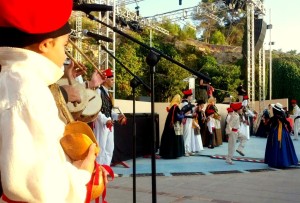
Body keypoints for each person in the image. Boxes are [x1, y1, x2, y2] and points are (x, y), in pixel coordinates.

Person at [0, 0, 99, 202]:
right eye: (64, 45)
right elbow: (40, 186)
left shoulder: (16, 79)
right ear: (46, 45)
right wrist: (83, 175)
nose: (64, 53)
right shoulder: (25, 87)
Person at [94, 68, 126, 166]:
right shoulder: (98, 92)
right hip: (101, 124)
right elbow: (96, 111)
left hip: (109, 124)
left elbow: (109, 110)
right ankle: (98, 172)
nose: (113, 81)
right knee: (101, 148)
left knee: (109, 148)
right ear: (106, 79)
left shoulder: (108, 94)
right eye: (112, 79)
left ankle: (106, 170)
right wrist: (105, 120)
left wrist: (117, 116)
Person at [264, 103, 298, 168]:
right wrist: (289, 130)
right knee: (284, 147)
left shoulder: (274, 118)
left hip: (274, 133)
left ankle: (275, 161)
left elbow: (268, 125)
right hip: (284, 133)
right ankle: (285, 161)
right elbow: (288, 124)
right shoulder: (283, 117)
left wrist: (268, 131)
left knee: (274, 146)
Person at [159, 94, 185, 159]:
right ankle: (173, 154)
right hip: (173, 126)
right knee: (173, 139)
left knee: (168, 138)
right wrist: (182, 116)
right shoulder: (175, 107)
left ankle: (168, 153)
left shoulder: (172, 107)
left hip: (169, 127)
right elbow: (176, 116)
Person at [181, 89, 203, 156]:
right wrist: (192, 113)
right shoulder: (185, 103)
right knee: (186, 135)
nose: (191, 97)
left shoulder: (188, 104)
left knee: (189, 136)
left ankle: (188, 150)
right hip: (187, 120)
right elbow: (184, 113)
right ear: (188, 96)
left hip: (189, 120)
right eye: (190, 96)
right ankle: (184, 151)